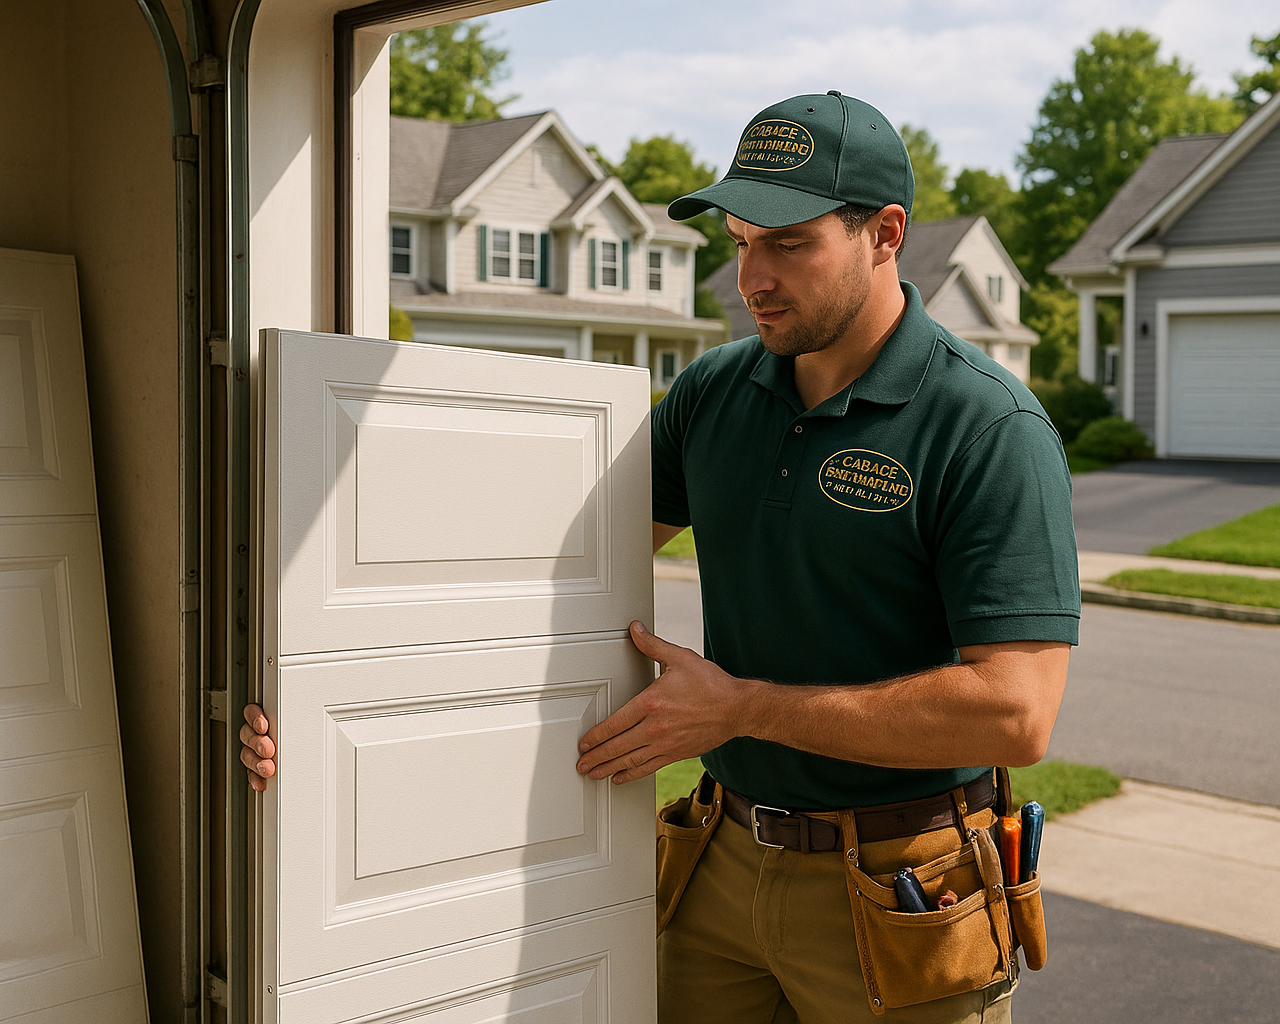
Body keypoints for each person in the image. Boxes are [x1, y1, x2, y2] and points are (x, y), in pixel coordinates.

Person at [242, 90, 1079, 1024]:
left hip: (906, 888)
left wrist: (742, 709)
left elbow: (1017, 713)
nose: (751, 276)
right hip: (717, 865)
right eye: (738, 241)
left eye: (789, 242)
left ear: (886, 233)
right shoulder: (715, 394)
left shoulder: (988, 427)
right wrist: (320, 710)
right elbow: (535, 576)